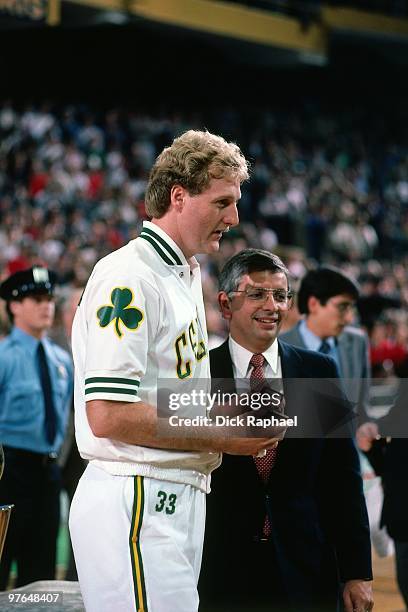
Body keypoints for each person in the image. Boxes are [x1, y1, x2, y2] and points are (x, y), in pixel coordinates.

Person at [69, 130, 279, 612]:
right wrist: (221, 433)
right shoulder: (130, 274)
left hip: (172, 493)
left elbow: (167, 397)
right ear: (179, 197)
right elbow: (109, 413)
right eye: (223, 201)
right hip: (138, 492)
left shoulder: (182, 272)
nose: (235, 217)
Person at [199, 249, 373, 612]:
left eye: (280, 295)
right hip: (219, 573)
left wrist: (357, 572)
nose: (272, 305)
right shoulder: (199, 375)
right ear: (226, 304)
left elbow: (343, 478)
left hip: (307, 572)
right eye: (258, 294)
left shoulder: (319, 371)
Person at [0, 266, 73, 589]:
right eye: (36, 299)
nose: (47, 306)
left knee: (42, 577)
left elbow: (66, 418)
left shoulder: (61, 360)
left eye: (49, 299)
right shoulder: (3, 357)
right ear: (14, 305)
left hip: (48, 472)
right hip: (8, 471)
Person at [280, 266, 371, 425]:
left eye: (352, 308)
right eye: (342, 307)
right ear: (314, 304)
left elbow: (362, 411)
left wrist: (367, 428)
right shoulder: (277, 348)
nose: (350, 318)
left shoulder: (358, 343)